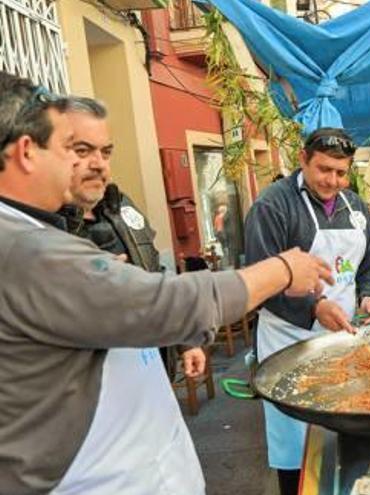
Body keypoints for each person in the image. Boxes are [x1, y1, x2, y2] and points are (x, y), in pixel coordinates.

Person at [0, 71, 335, 494]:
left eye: (102, 150)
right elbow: (163, 302)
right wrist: (283, 269)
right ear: (28, 151)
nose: (84, 163)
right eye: (69, 148)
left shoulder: (76, 222)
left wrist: (184, 336)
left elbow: (142, 293)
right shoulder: (23, 249)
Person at [243, 127, 370, 493]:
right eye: (324, 169)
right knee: (296, 444)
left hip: (343, 338)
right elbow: (260, 281)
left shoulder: (355, 208)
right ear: (303, 159)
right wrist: (314, 306)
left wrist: (369, 296)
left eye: (341, 173)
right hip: (290, 340)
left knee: (345, 433)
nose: (332, 181)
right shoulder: (273, 206)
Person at [57, 96, 206, 379]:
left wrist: (184, 339)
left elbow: (154, 275)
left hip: (149, 370)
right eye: (82, 150)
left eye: (106, 152)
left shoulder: (119, 205)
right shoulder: (36, 226)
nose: (99, 164)